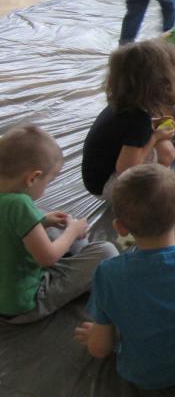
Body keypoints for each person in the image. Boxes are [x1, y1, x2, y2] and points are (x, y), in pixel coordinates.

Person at [74, 164, 175, 390]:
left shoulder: (107, 273)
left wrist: (95, 335)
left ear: (120, 228)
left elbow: (100, 350)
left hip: (139, 374)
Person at [0, 125, 117, 323]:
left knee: (46, 221)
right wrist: (73, 231)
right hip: (22, 304)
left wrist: (43, 221)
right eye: (48, 181)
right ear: (33, 178)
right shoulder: (19, 204)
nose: (47, 187)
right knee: (106, 252)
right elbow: (47, 258)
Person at [81, 40, 175, 200]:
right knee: (166, 151)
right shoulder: (138, 120)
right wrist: (155, 136)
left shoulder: (122, 103)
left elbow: (124, 134)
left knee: (162, 146)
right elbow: (127, 170)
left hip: (96, 179)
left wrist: (153, 125)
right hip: (109, 186)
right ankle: (146, 195)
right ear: (158, 83)